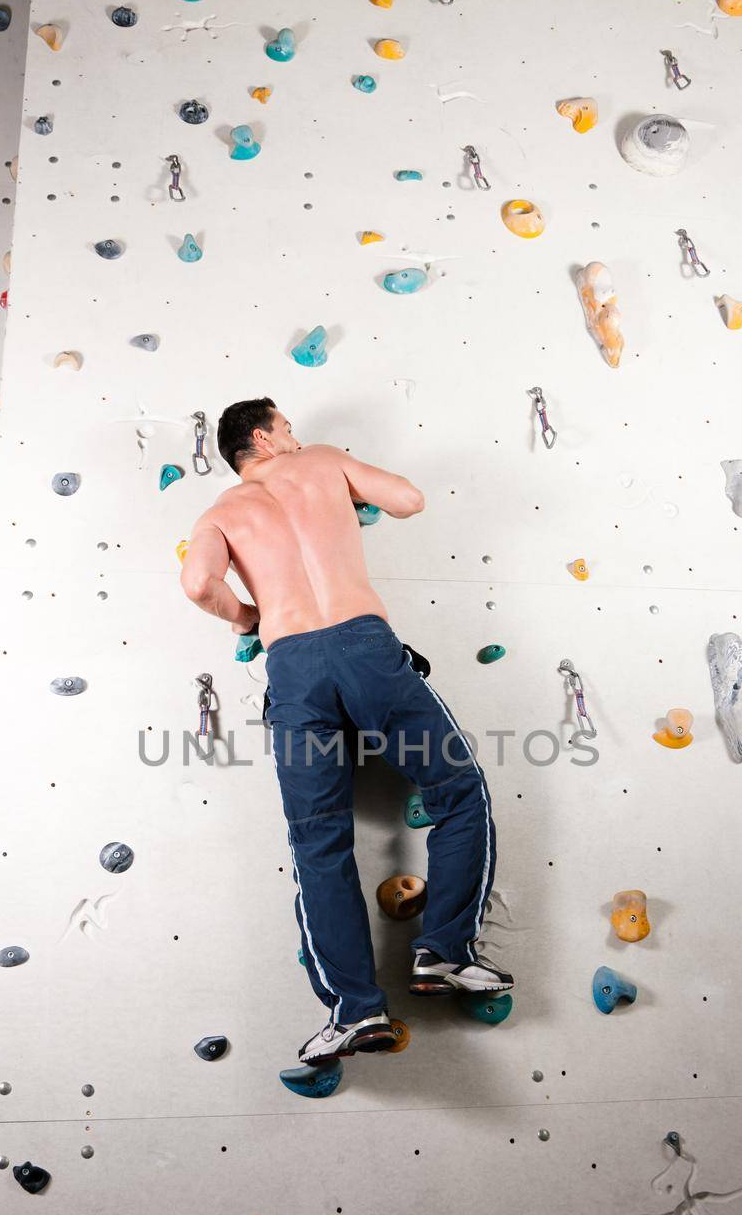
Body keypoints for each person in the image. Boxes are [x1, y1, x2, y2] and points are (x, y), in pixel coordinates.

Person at [179, 398, 511, 1066]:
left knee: (317, 840)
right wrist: (343, 491)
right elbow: (409, 500)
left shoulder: (218, 514)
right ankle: (443, 953)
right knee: (455, 790)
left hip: (293, 667)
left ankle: (355, 1010)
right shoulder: (319, 462)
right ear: (264, 437)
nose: (295, 436)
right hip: (363, 649)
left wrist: (251, 618)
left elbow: (196, 585)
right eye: (286, 427)